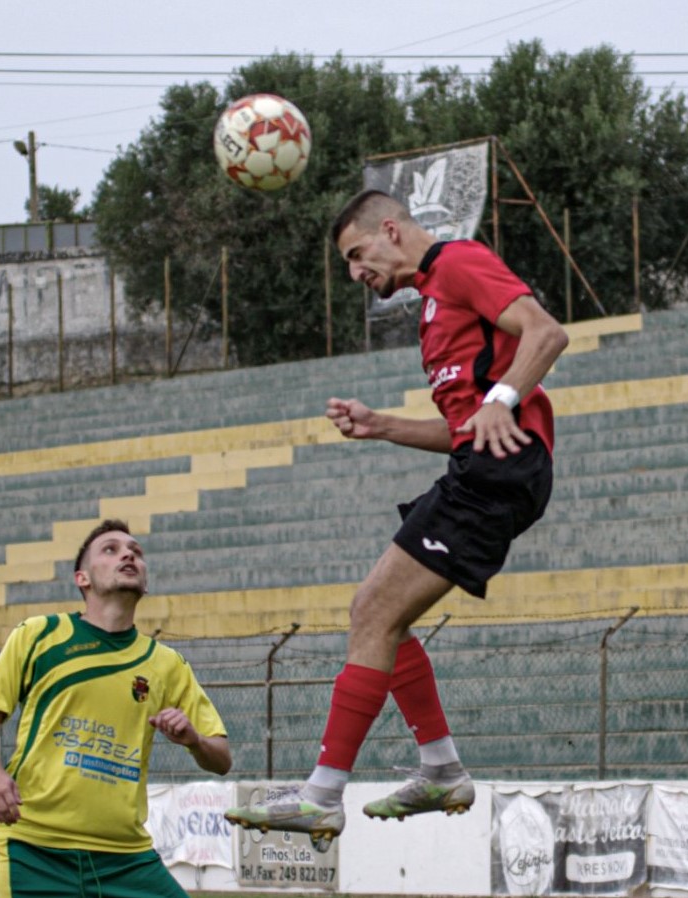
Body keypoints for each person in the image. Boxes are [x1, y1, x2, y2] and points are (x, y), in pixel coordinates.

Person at [226, 189, 569, 848]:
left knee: (370, 612)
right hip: (483, 467)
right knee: (380, 618)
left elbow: (545, 332)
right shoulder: (434, 303)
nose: (356, 273)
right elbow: (465, 429)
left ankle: (323, 796)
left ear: (389, 230)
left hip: (502, 472)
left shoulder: (459, 263)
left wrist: (503, 398)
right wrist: (381, 425)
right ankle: (438, 768)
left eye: (357, 255)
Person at [0, 519, 232, 898]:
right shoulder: (39, 635)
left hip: (126, 859)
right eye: (111, 549)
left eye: (136, 552)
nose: (128, 554)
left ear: (145, 581)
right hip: (31, 847)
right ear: (82, 578)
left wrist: (193, 740)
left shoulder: (168, 665)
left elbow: (221, 758)